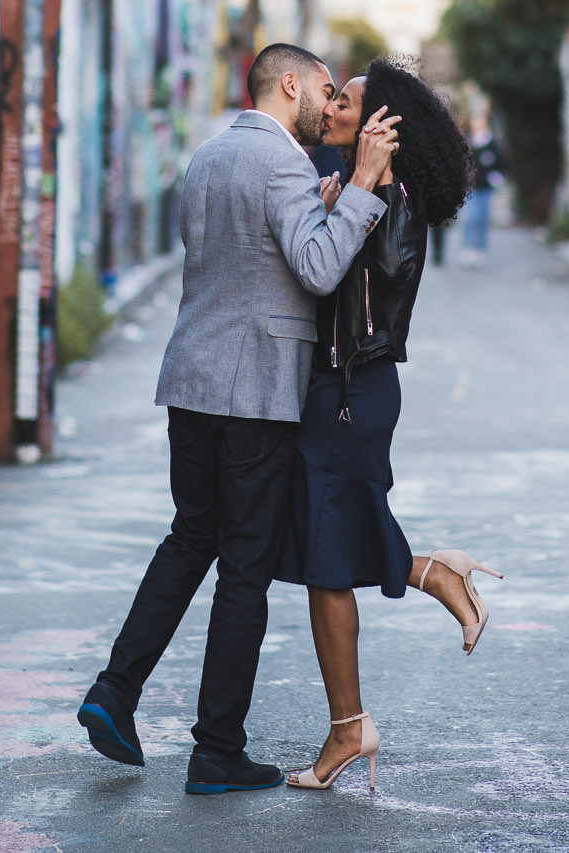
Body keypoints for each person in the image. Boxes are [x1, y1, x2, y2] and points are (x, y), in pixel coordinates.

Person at [77, 42, 403, 797]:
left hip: (191, 379)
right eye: (326, 88)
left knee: (189, 538)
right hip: (253, 391)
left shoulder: (208, 157)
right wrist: (358, 186)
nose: (331, 104)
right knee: (244, 569)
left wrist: (322, 208)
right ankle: (217, 748)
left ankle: (114, 690)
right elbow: (317, 270)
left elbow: (254, 259)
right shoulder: (284, 162)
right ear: (290, 84)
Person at [273, 55, 503, 792]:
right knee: (325, 552)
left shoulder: (392, 198)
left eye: (346, 100)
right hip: (339, 392)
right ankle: (436, 576)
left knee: (324, 560)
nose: (331, 105)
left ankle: (349, 728)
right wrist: (343, 193)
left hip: (350, 394)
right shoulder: (354, 186)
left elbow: (383, 270)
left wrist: (360, 189)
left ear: (384, 128)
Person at [460, 111, 507, 266]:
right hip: (470, 188)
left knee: (483, 219)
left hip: (486, 188)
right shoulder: (468, 142)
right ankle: (468, 249)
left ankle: (480, 249)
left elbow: (501, 164)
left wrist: (496, 178)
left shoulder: (492, 143)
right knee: (470, 219)